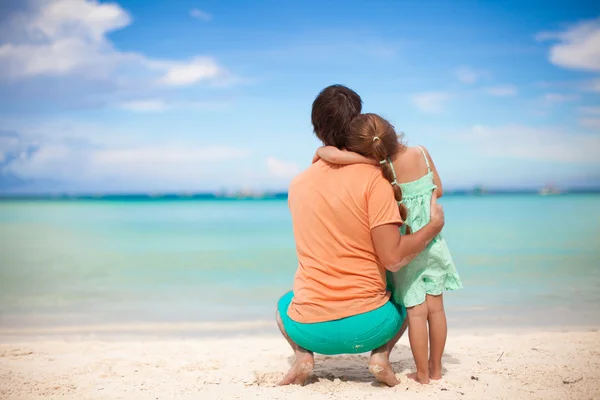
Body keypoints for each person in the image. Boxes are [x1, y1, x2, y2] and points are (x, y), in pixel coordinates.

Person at [276, 85, 445, 387]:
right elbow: (393, 259)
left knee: (283, 305)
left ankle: (303, 355)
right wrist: (431, 227)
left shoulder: (297, 184)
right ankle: (380, 354)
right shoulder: (376, 180)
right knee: (406, 291)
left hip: (309, 329)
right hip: (372, 326)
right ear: (357, 124)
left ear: (317, 130)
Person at [314, 113, 463, 384]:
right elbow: (437, 189)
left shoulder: (382, 169)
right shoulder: (422, 152)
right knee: (437, 309)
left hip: (410, 243)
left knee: (416, 312)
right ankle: (437, 370)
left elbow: (334, 156)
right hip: (435, 243)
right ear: (393, 131)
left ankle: (422, 375)